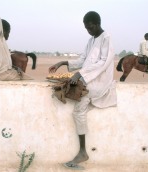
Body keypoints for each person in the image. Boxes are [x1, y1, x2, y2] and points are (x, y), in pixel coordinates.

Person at [49, 11, 117, 170]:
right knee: (67, 94)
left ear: (98, 23)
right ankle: (82, 151)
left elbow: (103, 63)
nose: (89, 30)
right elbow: (83, 60)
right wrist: (63, 62)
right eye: (86, 28)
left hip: (99, 82)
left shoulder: (106, 38)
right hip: (88, 78)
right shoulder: (91, 40)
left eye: (90, 27)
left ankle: (82, 152)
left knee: (78, 110)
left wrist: (80, 74)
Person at [0, 15, 30, 80]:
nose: (8, 35)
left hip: (8, 72)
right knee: (30, 80)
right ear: (2, 31)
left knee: (26, 77)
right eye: (8, 32)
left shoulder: (2, 43)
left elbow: (3, 63)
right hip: (5, 75)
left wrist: (15, 68)